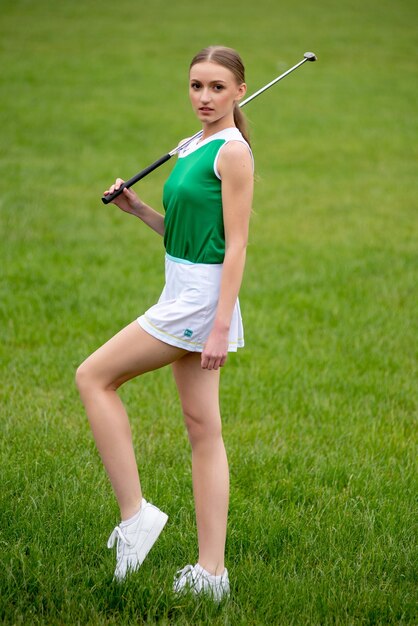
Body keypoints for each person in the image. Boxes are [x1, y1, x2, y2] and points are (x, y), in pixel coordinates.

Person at [76, 45, 254, 602]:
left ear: (239, 92)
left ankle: (137, 515)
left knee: (93, 377)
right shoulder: (193, 146)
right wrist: (139, 210)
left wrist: (221, 324)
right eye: (196, 86)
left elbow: (237, 245)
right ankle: (211, 575)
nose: (204, 97)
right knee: (203, 429)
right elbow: (185, 233)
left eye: (217, 88)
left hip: (200, 302)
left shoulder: (233, 153)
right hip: (183, 286)